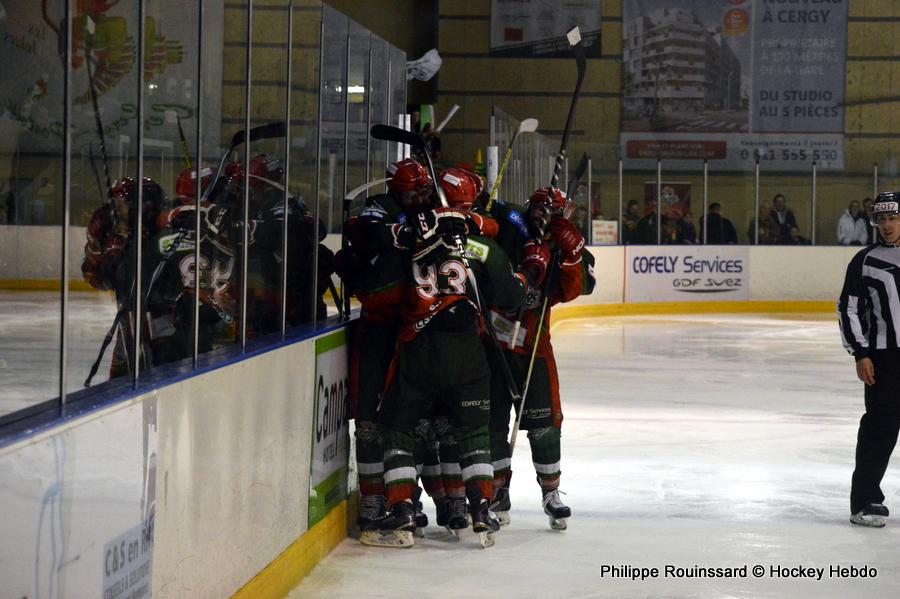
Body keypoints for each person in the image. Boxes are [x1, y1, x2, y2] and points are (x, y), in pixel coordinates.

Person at [366, 169, 547, 549]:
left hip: (418, 350)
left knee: (398, 428)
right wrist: (532, 269)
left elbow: (377, 294)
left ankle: (401, 511)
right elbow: (512, 297)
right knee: (473, 430)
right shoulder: (480, 246)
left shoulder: (413, 239)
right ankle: (481, 507)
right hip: (467, 352)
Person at [487, 186, 596, 531]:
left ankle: (551, 493)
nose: (544, 218)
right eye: (539, 211)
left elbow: (575, 288)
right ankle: (496, 491)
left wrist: (572, 254)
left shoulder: (563, 245)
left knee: (544, 423)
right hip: (492, 345)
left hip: (534, 348)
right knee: (491, 424)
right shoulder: (508, 230)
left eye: (554, 214)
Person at [838, 192, 900, 527]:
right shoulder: (864, 261)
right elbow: (848, 309)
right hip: (885, 359)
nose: (887, 226)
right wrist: (860, 352)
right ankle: (865, 501)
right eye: (881, 220)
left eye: (893, 218)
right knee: (879, 431)